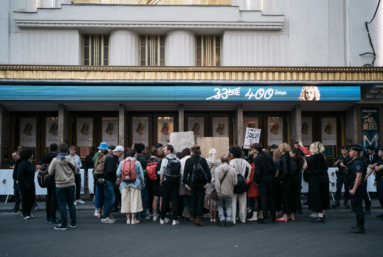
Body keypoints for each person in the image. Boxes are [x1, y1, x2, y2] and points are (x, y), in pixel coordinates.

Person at [48, 143, 78, 230]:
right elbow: (75, 171)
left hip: (60, 184)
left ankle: (64, 224)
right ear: (67, 151)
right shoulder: (71, 159)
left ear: (59, 150)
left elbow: (50, 172)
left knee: (62, 205)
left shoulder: (55, 160)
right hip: (71, 184)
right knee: (71, 204)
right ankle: (73, 223)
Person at [183, 146, 211, 227]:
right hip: (202, 183)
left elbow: (185, 172)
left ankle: (194, 217)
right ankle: (199, 217)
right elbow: (207, 171)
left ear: (193, 152)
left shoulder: (188, 160)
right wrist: (208, 182)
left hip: (192, 183)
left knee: (193, 200)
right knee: (200, 200)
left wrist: (185, 183)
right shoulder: (203, 160)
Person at [302, 142, 329, 223]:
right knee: (323, 196)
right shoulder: (322, 157)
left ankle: (320, 216)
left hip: (314, 178)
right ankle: (323, 214)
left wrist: (305, 160)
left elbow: (304, 168)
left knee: (316, 196)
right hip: (324, 178)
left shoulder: (309, 159)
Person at [117, 149, 145, 225]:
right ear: (134, 154)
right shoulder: (137, 162)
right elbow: (141, 175)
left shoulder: (122, 162)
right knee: (134, 201)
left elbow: (118, 173)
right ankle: (133, 220)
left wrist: (122, 178)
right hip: (135, 184)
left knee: (126, 201)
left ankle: (128, 219)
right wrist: (142, 184)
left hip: (124, 184)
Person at [344, 145, 367, 233]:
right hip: (353, 185)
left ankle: (360, 227)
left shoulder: (358, 163)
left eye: (351, 151)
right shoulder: (354, 161)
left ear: (355, 153)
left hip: (356, 186)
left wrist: (354, 189)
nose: (349, 152)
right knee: (355, 206)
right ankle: (358, 224)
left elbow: (359, 176)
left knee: (357, 207)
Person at [252, 143, 276, 223]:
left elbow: (257, 172)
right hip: (270, 178)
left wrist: (256, 180)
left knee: (263, 198)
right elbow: (274, 168)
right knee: (271, 197)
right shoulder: (269, 156)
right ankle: (273, 216)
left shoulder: (257, 158)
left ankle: (265, 217)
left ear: (255, 149)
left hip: (262, 179)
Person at [158, 145, 181, 225]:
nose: (164, 151)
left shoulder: (165, 160)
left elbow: (162, 171)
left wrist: (161, 181)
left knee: (164, 199)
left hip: (166, 181)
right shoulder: (177, 159)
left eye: (165, 150)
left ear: (169, 151)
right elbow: (180, 172)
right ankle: (175, 219)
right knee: (175, 200)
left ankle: (162, 218)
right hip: (175, 181)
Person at [101, 145, 124, 224]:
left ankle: (106, 215)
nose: (121, 155)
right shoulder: (111, 158)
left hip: (109, 180)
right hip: (108, 180)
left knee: (108, 198)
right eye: (121, 153)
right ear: (117, 151)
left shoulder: (113, 158)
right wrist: (118, 167)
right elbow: (110, 170)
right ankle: (105, 217)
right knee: (111, 198)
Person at [229, 145, 252, 224]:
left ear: (233, 153)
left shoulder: (232, 162)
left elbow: (231, 170)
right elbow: (250, 168)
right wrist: (248, 177)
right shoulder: (244, 161)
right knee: (243, 202)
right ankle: (243, 219)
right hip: (242, 183)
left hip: (234, 183)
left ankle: (233, 219)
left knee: (233, 202)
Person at [39, 143, 60, 223]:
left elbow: (39, 165)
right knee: (53, 198)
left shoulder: (45, 156)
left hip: (46, 178)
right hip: (54, 177)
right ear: (57, 149)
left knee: (48, 197)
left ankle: (48, 216)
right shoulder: (56, 156)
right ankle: (52, 217)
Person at [215, 156, 237, 227]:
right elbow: (235, 182)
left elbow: (217, 182)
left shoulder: (217, 169)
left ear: (221, 161)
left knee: (220, 206)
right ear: (228, 161)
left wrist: (218, 190)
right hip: (229, 191)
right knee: (229, 206)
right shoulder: (233, 170)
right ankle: (229, 220)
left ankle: (222, 220)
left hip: (220, 192)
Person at [277, 143, 296, 222]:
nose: (279, 149)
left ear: (282, 149)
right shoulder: (290, 157)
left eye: (280, 147)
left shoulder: (284, 157)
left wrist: (281, 179)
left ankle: (285, 215)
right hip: (292, 179)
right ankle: (292, 215)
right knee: (292, 197)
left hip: (286, 180)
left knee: (285, 198)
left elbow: (285, 170)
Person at [17, 148, 36, 219]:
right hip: (25, 184)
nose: (32, 155)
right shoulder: (23, 163)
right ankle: (25, 213)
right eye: (31, 154)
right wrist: (23, 184)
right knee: (26, 198)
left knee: (31, 198)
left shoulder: (29, 162)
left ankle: (28, 212)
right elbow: (20, 175)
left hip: (30, 182)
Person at [365, 146, 383, 219]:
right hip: (379, 181)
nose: (378, 153)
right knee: (380, 197)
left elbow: (378, 169)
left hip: (382, 181)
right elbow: (372, 169)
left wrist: (372, 166)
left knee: (382, 197)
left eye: (379, 151)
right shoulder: (379, 160)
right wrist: (366, 176)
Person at [204, 148, 220, 222]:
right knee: (215, 200)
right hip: (216, 182)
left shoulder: (206, 161)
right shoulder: (218, 161)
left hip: (209, 183)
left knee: (209, 200)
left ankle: (211, 217)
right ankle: (215, 217)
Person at [134, 143, 149, 220]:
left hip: (134, 179)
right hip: (141, 179)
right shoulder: (142, 159)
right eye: (145, 149)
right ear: (142, 150)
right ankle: (142, 214)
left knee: (136, 197)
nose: (146, 150)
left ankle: (135, 214)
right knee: (144, 197)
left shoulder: (135, 157)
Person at [180, 148, 192, 221]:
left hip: (183, 181)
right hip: (191, 180)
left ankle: (185, 212)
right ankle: (188, 213)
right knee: (191, 196)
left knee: (185, 197)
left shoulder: (181, 160)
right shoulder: (191, 159)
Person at [290, 148, 303, 214]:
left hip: (293, 178)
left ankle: (295, 209)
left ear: (294, 153)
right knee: (297, 194)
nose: (290, 154)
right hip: (297, 178)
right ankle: (299, 208)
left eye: (291, 153)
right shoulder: (299, 160)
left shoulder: (293, 161)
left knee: (293, 194)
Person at [151, 149, 163, 222]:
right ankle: (162, 215)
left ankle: (154, 215)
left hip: (154, 181)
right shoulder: (163, 162)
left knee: (155, 198)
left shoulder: (154, 161)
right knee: (161, 199)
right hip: (161, 182)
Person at [272, 148, 283, 218]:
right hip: (281, 180)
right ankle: (279, 211)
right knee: (279, 197)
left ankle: (276, 212)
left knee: (275, 196)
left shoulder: (275, 162)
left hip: (275, 180)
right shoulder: (281, 160)